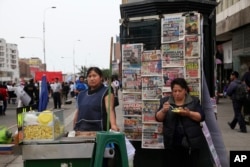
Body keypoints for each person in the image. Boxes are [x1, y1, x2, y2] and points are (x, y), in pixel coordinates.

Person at [155, 78, 207, 167]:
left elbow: (201, 117)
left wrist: (188, 113)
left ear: (185, 90)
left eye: (180, 91)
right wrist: (163, 110)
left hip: (190, 142)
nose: (177, 93)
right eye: (174, 91)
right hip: (171, 141)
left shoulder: (193, 101)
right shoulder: (165, 101)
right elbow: (158, 118)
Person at [73, 67, 119, 132]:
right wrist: (74, 127)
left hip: (100, 132)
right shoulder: (81, 94)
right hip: (81, 132)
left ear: (101, 78)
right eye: (89, 76)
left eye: (94, 76)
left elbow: (109, 109)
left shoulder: (107, 91)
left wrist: (113, 125)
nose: (92, 78)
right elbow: (78, 112)